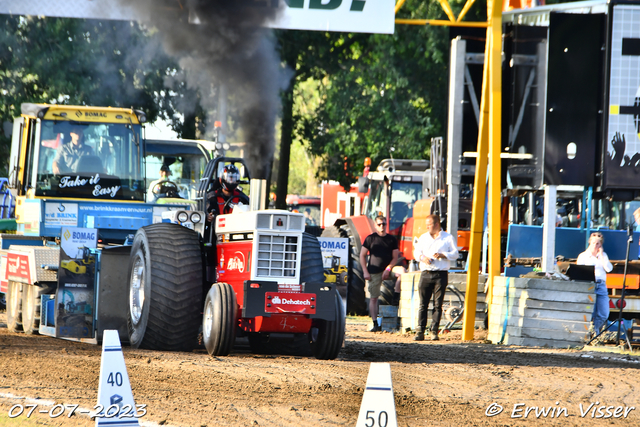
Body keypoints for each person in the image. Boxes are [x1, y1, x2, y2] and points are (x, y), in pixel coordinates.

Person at [412, 214, 459, 341]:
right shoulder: (423, 237)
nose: (427, 227)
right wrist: (423, 258)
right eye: (426, 225)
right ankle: (420, 331)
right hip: (426, 273)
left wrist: (443, 255)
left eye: (429, 224)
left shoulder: (448, 238)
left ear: (437, 224)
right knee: (423, 304)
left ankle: (434, 331)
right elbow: (416, 252)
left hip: (440, 274)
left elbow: (455, 253)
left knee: (437, 305)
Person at [359, 215, 403, 332]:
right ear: (375, 226)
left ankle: (396, 297)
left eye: (384, 224)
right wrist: (365, 271)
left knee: (402, 273)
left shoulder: (391, 239)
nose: (382, 226)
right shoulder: (370, 238)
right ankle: (375, 323)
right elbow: (362, 255)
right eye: (379, 224)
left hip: (388, 270)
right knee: (374, 298)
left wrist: (388, 269)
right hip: (374, 271)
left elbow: (395, 257)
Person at [577, 232, 613, 334]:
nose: (595, 245)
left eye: (598, 244)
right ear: (589, 243)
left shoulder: (603, 256)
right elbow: (579, 272)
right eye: (593, 243)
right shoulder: (583, 256)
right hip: (589, 285)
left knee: (604, 313)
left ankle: (595, 332)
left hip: (601, 285)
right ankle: (589, 334)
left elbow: (608, 269)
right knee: (589, 312)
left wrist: (601, 255)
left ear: (600, 245)